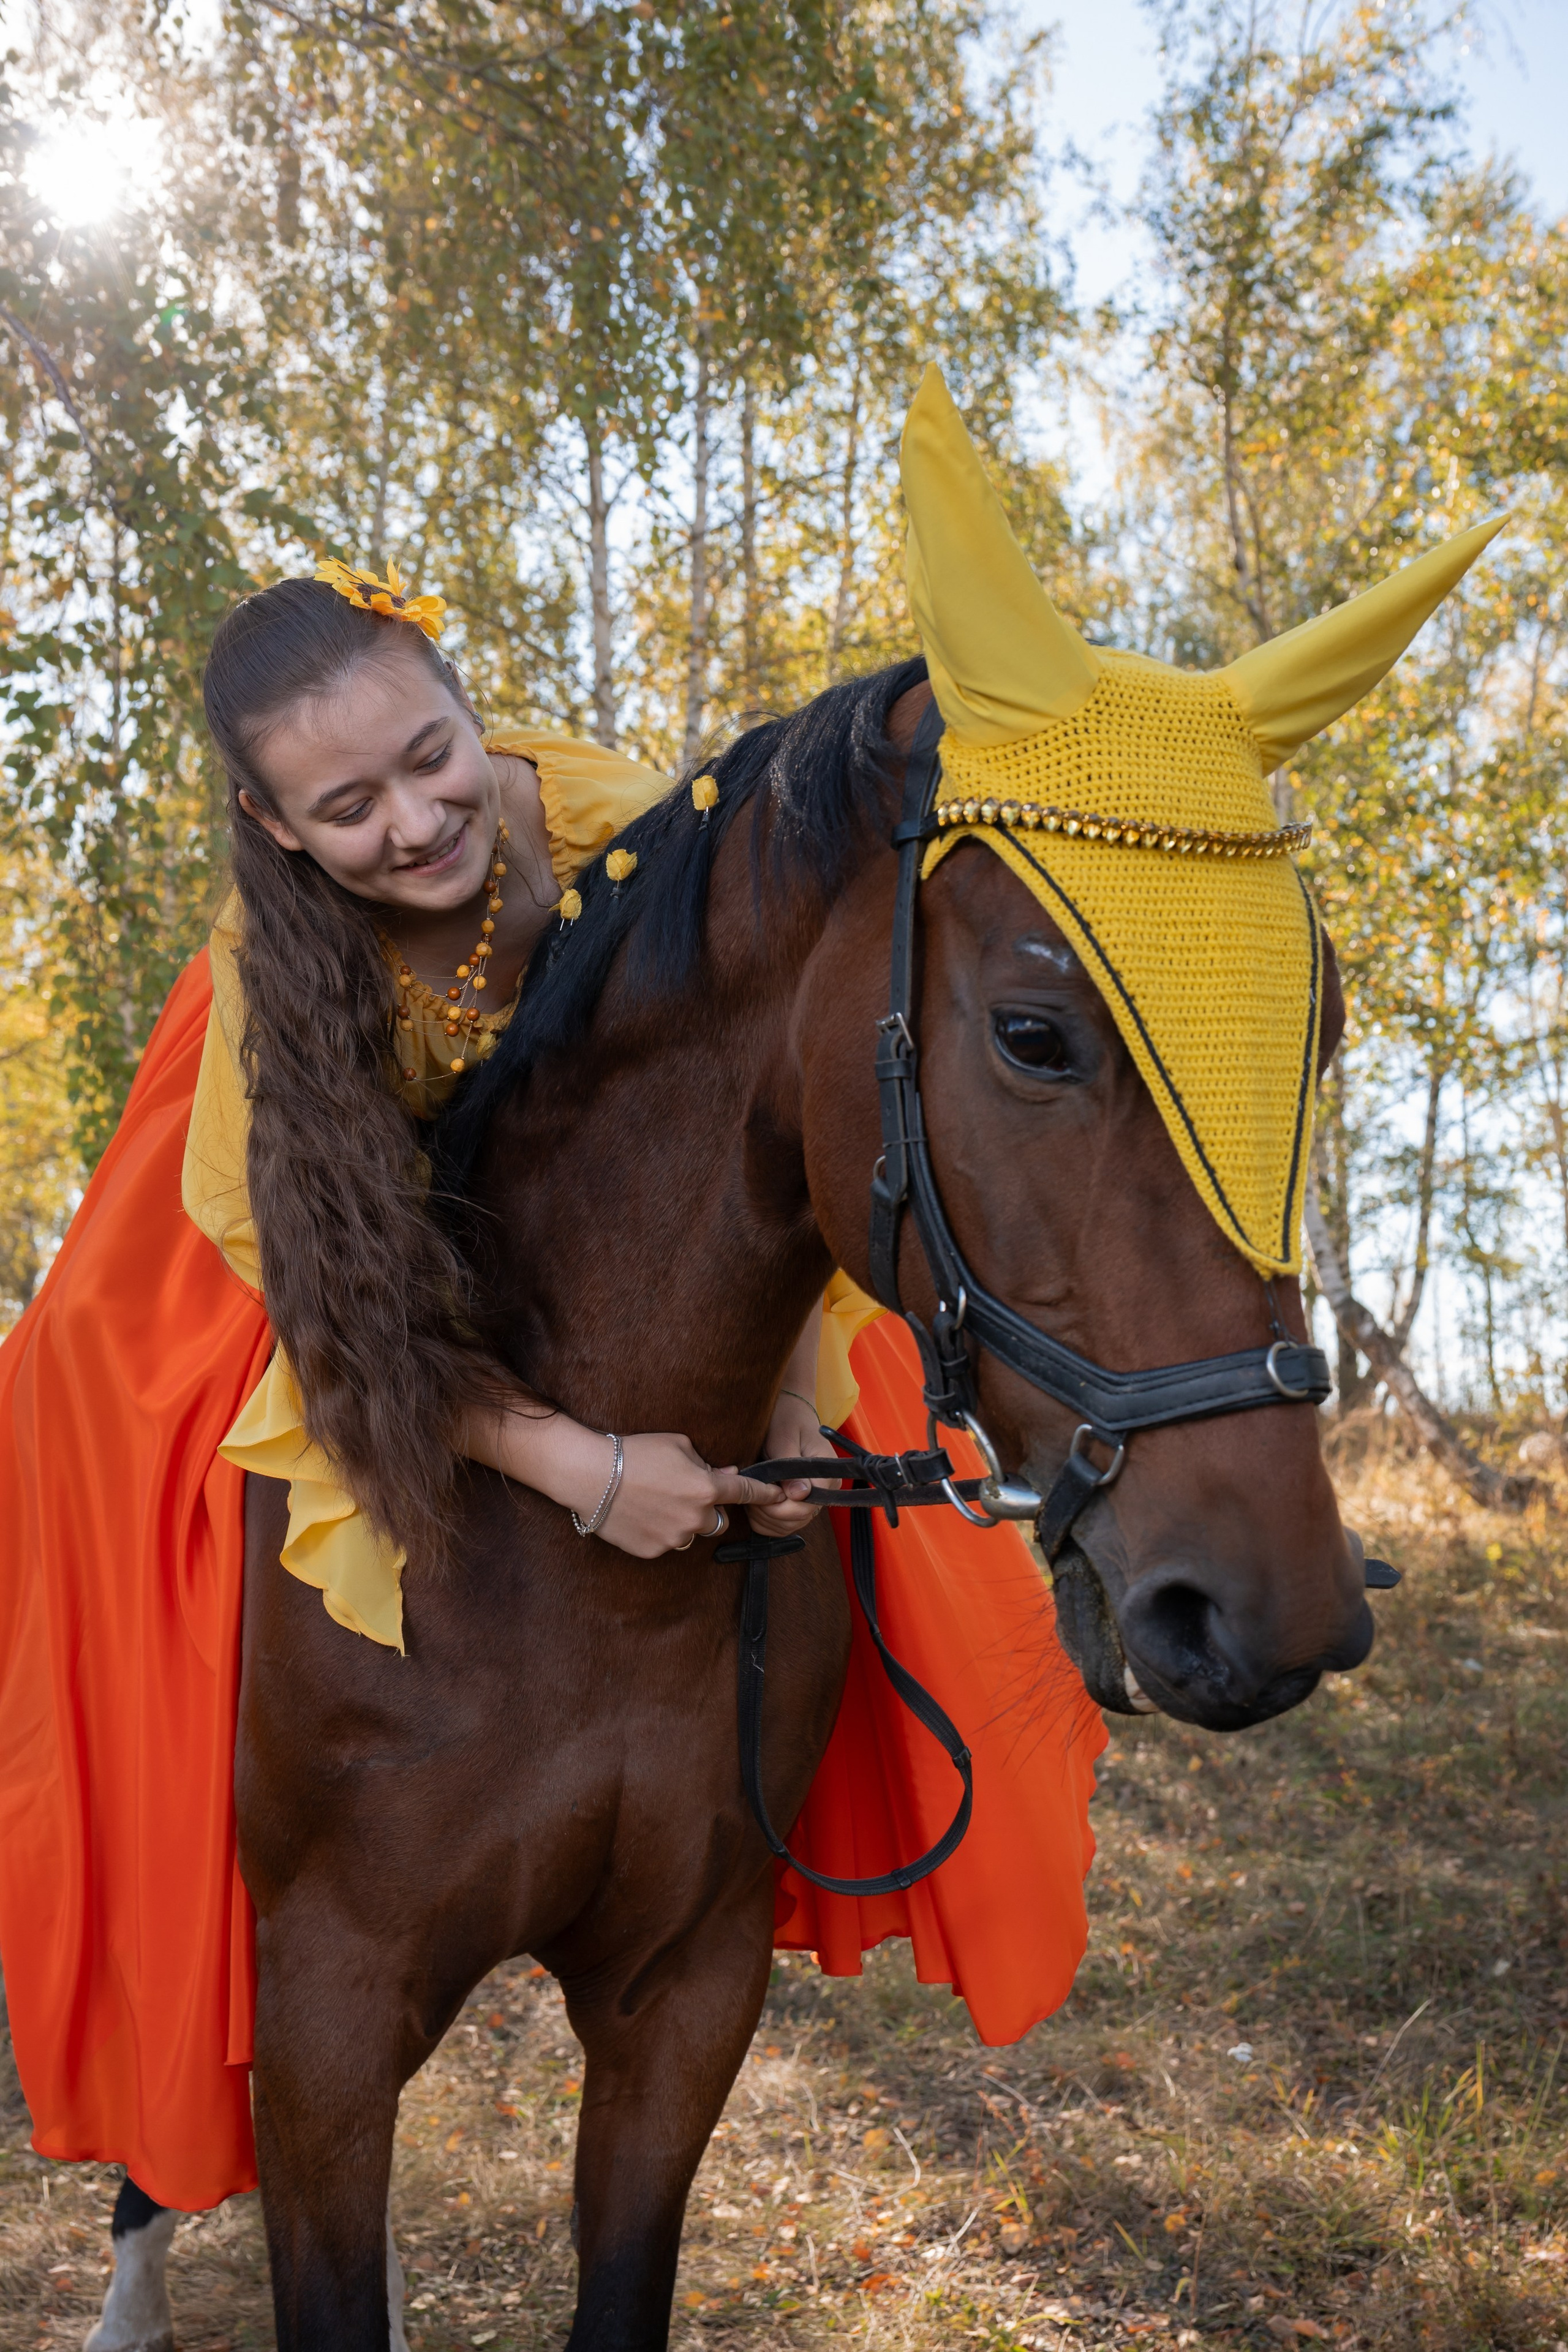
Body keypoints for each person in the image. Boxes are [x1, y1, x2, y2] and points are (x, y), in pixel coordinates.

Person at [0, 560, 1105, 2215]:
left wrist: (784, 1402)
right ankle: (159, 1860)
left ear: (469, 708)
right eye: (348, 808)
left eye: (431, 756)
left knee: (868, 1407)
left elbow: (753, 1135)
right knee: (109, 1402)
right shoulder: (274, 985)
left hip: (589, 1225)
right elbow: (338, 1308)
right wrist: (583, 1468)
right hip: (332, 1239)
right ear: (278, 826)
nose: (415, 823)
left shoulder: (607, 824)